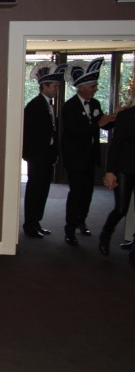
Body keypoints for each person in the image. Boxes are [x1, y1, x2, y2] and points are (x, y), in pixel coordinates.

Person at [61, 58, 116, 246]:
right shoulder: (70, 106)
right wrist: (97, 124)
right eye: (93, 86)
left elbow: (103, 125)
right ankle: (69, 229)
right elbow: (74, 131)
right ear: (82, 87)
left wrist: (116, 118)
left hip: (90, 157)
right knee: (76, 193)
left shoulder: (95, 104)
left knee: (88, 192)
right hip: (75, 158)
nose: (96, 89)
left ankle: (81, 220)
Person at [22, 62, 63, 238]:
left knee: (43, 190)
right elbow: (29, 133)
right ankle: (29, 224)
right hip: (37, 157)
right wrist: (30, 155)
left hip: (47, 156)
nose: (57, 89)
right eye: (55, 86)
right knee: (35, 190)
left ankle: (37, 221)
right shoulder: (34, 106)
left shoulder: (48, 105)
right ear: (44, 86)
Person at [99, 99, 135, 257]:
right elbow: (115, 145)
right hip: (124, 168)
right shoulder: (126, 116)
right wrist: (110, 171)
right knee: (121, 208)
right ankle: (105, 235)